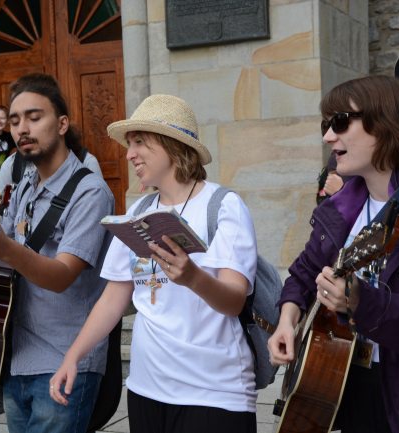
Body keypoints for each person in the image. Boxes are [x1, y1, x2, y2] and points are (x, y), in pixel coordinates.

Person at [50, 94, 259, 433]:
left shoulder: (222, 206)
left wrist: (192, 277)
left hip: (213, 391)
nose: (129, 154)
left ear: (172, 146)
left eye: (139, 143)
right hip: (146, 389)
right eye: (129, 144)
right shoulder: (137, 214)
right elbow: (113, 299)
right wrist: (73, 356)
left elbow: (234, 301)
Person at [0, 73, 114, 433]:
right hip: (17, 353)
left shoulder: (91, 192)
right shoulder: (22, 184)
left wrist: (4, 248)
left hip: (65, 356)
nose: (22, 128)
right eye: (14, 120)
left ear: (61, 124)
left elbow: (61, 276)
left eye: (34, 117)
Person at [267, 76, 399, 433]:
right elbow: (303, 273)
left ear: (385, 126)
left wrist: (361, 301)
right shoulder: (342, 209)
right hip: (344, 380)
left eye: (340, 122)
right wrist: (287, 320)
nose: (327, 136)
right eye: (327, 125)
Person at [0, 132, 103, 194]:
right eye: (15, 122)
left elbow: (99, 216)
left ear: (61, 125)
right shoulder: (11, 165)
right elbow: (4, 219)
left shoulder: (86, 162)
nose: (23, 130)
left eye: (35, 119)